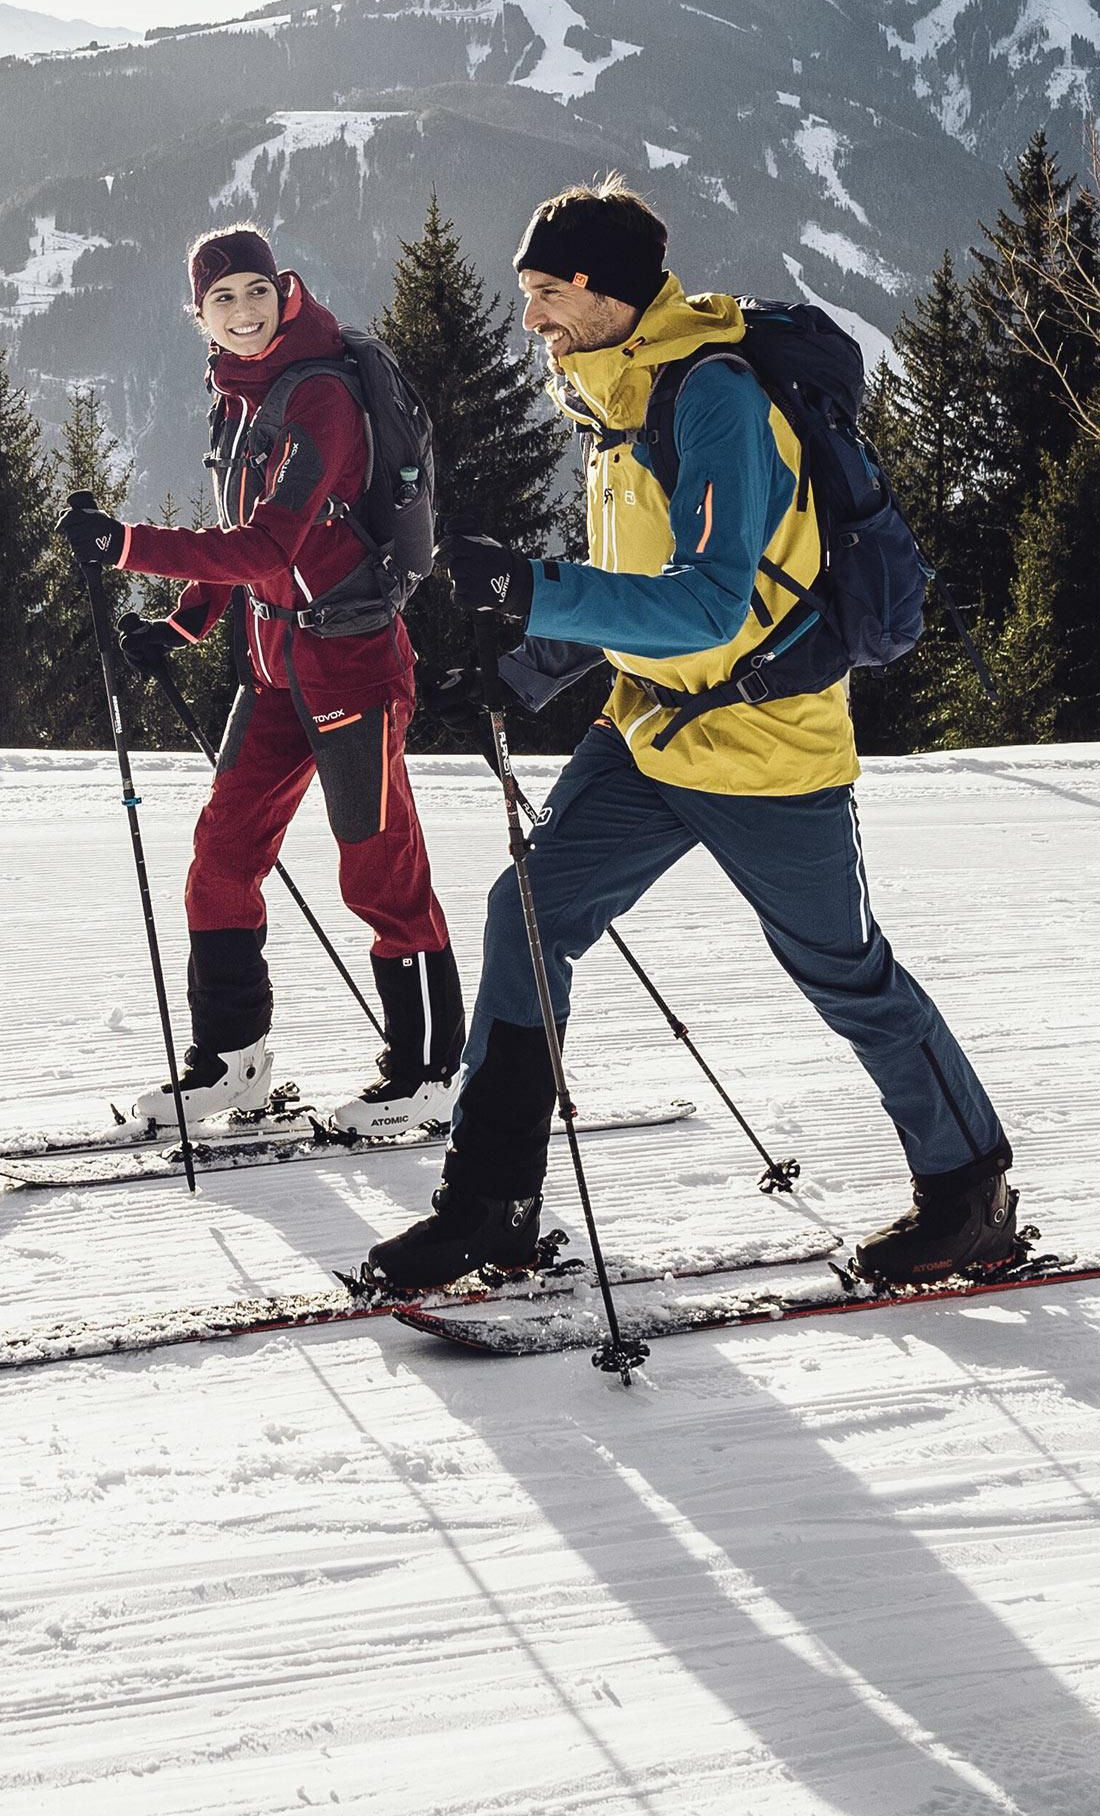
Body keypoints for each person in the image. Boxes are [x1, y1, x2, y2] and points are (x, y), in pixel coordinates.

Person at [356, 179, 1026, 1291]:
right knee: (528, 915)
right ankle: (490, 1205)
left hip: (766, 748)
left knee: (845, 974)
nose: (530, 319)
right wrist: (525, 660)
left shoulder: (711, 396)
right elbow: (630, 578)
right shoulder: (614, 396)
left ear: (605, 289)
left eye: (546, 293)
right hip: (650, 732)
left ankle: (971, 1197)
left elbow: (713, 604)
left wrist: (533, 588)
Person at [59, 227, 461, 1139]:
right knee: (221, 859)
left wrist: (126, 545)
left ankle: (430, 1072)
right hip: (274, 664)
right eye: (221, 300)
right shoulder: (238, 395)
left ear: (284, 289)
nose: (242, 312)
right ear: (197, 314)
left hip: (352, 661)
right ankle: (233, 1062)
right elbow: (245, 535)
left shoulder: (320, 393)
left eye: (254, 292)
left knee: (380, 870)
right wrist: (184, 623)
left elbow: (272, 546)